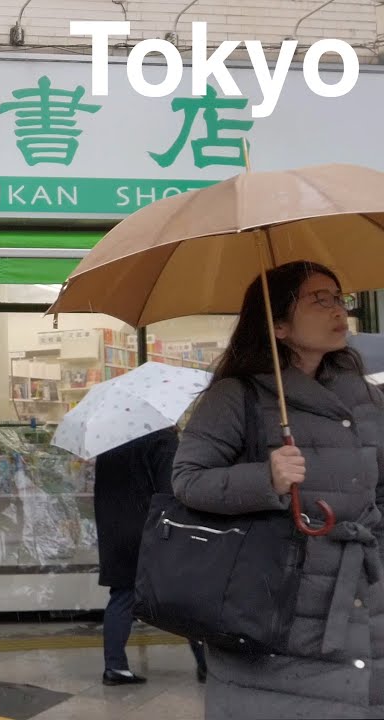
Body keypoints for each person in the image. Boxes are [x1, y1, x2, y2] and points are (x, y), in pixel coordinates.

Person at [173, 261, 384, 719]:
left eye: (340, 298)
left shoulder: (367, 399)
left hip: (362, 599)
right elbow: (188, 480)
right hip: (274, 603)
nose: (339, 311)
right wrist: (264, 479)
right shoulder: (237, 396)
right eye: (320, 300)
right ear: (279, 326)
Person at [93, 427, 207, 686]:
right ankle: (206, 664)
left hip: (114, 529)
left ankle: (115, 667)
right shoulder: (161, 436)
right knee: (186, 594)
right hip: (151, 528)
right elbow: (170, 489)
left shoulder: (110, 437)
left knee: (122, 595)